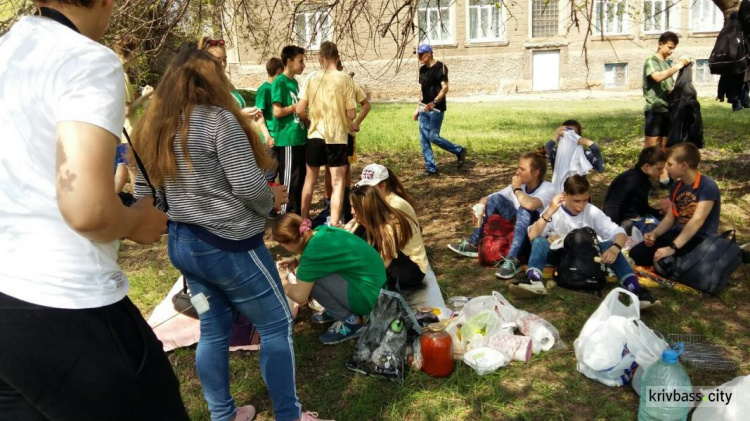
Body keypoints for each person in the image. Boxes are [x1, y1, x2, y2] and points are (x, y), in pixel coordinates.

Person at [0, 0, 188, 418]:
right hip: (64, 302)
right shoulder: (85, 59)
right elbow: (87, 210)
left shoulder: (8, 50)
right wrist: (137, 222)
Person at [132, 49, 321, 421]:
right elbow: (250, 187)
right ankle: (289, 414)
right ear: (213, 80)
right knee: (277, 321)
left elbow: (144, 196)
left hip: (184, 248)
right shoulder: (218, 120)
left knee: (214, 327)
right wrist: (273, 198)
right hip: (231, 250)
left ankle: (223, 414)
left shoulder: (150, 127)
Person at [510, 176, 658, 309]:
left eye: (584, 200)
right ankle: (533, 279)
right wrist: (549, 211)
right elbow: (532, 235)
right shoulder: (555, 210)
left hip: (587, 256)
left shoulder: (592, 211)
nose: (580, 206)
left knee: (609, 246)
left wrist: (615, 248)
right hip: (561, 256)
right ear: (564, 195)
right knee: (540, 242)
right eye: (576, 201)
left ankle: (636, 289)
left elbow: (619, 233)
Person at [273, 214, 387, 345]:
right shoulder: (321, 231)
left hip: (369, 298)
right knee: (309, 274)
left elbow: (300, 297)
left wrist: (281, 281)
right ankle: (337, 309)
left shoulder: (313, 252)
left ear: (288, 243)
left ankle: (351, 322)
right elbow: (330, 256)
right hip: (377, 288)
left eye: (283, 245)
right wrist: (297, 260)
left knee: (310, 279)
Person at [448, 151, 556, 280]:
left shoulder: (548, 188)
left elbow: (530, 205)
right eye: (518, 168)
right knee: (496, 199)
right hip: (516, 232)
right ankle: (473, 243)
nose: (517, 172)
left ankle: (512, 259)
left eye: (522, 169)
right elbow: (490, 198)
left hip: (532, 237)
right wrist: (480, 206)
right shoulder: (520, 186)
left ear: (536, 172)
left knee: (524, 209)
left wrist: (517, 189)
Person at [629, 143, 721, 270]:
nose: (666, 168)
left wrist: (672, 248)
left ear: (684, 165)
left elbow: (696, 221)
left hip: (699, 238)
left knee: (666, 263)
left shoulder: (707, 186)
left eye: (670, 164)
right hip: (677, 233)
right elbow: (669, 218)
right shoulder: (677, 186)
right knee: (636, 254)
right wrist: (654, 234)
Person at [297, 41, 357, 227]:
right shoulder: (345, 79)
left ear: (320, 58)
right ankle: (335, 222)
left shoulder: (311, 78)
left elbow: (299, 109)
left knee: (310, 180)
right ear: (337, 58)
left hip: (315, 135)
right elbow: (351, 114)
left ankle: (303, 220)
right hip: (337, 137)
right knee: (338, 182)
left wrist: (308, 121)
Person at [349, 184, 428, 291]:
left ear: (366, 207)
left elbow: (385, 261)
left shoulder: (392, 224)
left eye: (354, 207)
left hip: (411, 271)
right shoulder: (374, 217)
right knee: (358, 236)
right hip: (393, 262)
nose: (352, 211)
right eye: (351, 207)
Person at [413, 44, 467, 176]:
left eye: (421, 54)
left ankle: (459, 150)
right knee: (424, 139)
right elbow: (422, 90)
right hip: (423, 109)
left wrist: (434, 102)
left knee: (433, 136)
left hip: (436, 109)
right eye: (418, 55)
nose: (419, 57)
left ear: (429, 53)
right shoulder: (422, 70)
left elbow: (445, 88)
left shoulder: (441, 68)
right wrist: (417, 108)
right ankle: (431, 168)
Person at [273, 45, 308, 215]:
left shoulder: (294, 82)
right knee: (288, 180)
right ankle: (284, 216)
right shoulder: (280, 82)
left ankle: (296, 215)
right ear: (289, 62)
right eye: (300, 61)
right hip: (287, 139)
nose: (303, 65)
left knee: (299, 179)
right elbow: (277, 111)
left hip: (299, 137)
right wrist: (295, 107)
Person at [643, 31, 692, 150]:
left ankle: (663, 169)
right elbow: (658, 77)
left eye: (674, 48)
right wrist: (679, 65)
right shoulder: (651, 61)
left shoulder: (667, 63)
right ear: (660, 44)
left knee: (666, 147)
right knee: (651, 148)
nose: (671, 51)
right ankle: (645, 168)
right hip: (655, 109)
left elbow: (669, 87)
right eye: (669, 47)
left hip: (668, 109)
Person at [604, 146, 669, 234]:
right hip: (625, 223)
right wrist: (614, 232)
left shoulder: (645, 180)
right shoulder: (629, 179)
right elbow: (612, 205)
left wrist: (660, 213)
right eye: (659, 169)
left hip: (639, 218)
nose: (662, 172)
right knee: (655, 231)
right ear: (646, 166)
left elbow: (641, 207)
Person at [256, 57, 285, 182]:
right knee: (270, 175)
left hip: (281, 138)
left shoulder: (277, 88)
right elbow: (259, 116)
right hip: (270, 140)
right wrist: (267, 136)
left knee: (282, 172)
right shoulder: (264, 90)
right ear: (279, 71)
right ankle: (269, 201)